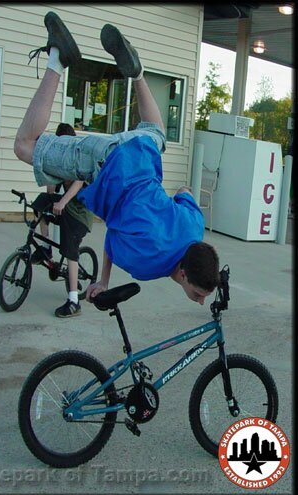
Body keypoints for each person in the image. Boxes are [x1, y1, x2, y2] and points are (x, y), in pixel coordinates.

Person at [14, 11, 220, 306]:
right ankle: (58, 58)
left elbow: (184, 191)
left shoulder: (195, 226)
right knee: (24, 146)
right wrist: (104, 280)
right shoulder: (149, 265)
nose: (199, 301)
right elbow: (111, 239)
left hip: (140, 153)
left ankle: (137, 73)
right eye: (198, 293)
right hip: (105, 164)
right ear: (184, 274)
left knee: (157, 133)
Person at [31, 123, 94, 318]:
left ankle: (74, 301)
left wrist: (62, 202)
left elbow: (78, 182)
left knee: (70, 251)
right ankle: (45, 248)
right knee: (40, 204)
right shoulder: (61, 158)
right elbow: (52, 189)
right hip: (65, 208)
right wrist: (51, 197)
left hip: (79, 215)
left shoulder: (79, 156)